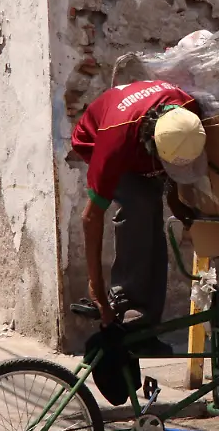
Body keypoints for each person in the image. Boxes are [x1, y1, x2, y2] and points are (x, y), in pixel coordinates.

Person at [70, 78, 204, 349]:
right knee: (140, 205)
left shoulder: (189, 112)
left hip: (143, 134)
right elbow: (91, 217)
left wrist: (175, 200)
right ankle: (125, 303)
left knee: (154, 223)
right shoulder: (114, 144)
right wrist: (96, 288)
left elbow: (173, 163)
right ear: (151, 144)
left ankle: (146, 323)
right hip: (97, 137)